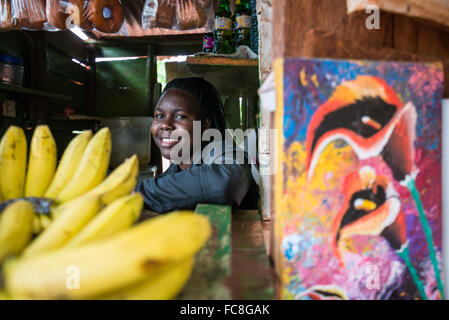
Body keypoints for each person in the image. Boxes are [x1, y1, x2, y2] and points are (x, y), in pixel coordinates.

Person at [136, 77, 260, 213]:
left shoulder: (223, 152)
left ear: (205, 125)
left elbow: (223, 183)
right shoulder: (172, 174)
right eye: (160, 116)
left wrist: (137, 192)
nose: (165, 125)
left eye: (180, 116)